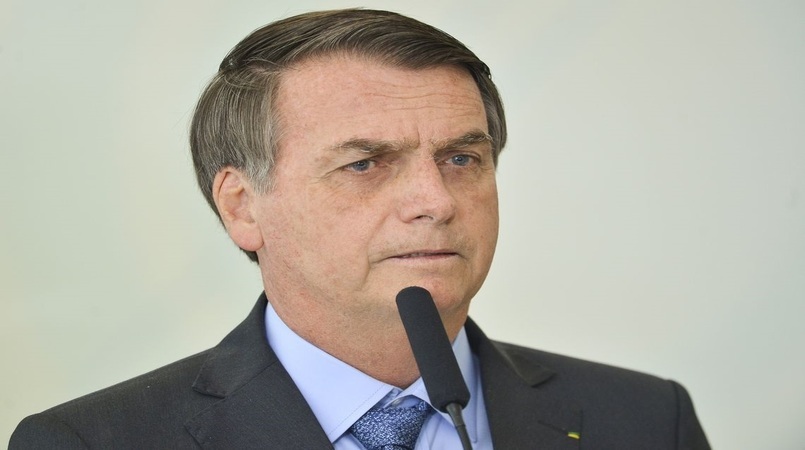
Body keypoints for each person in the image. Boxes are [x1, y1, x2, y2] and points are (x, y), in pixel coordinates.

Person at [10, 8, 710, 449]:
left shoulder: (646, 420)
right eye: (365, 163)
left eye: (461, 158)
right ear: (242, 206)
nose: (435, 201)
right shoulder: (91, 441)